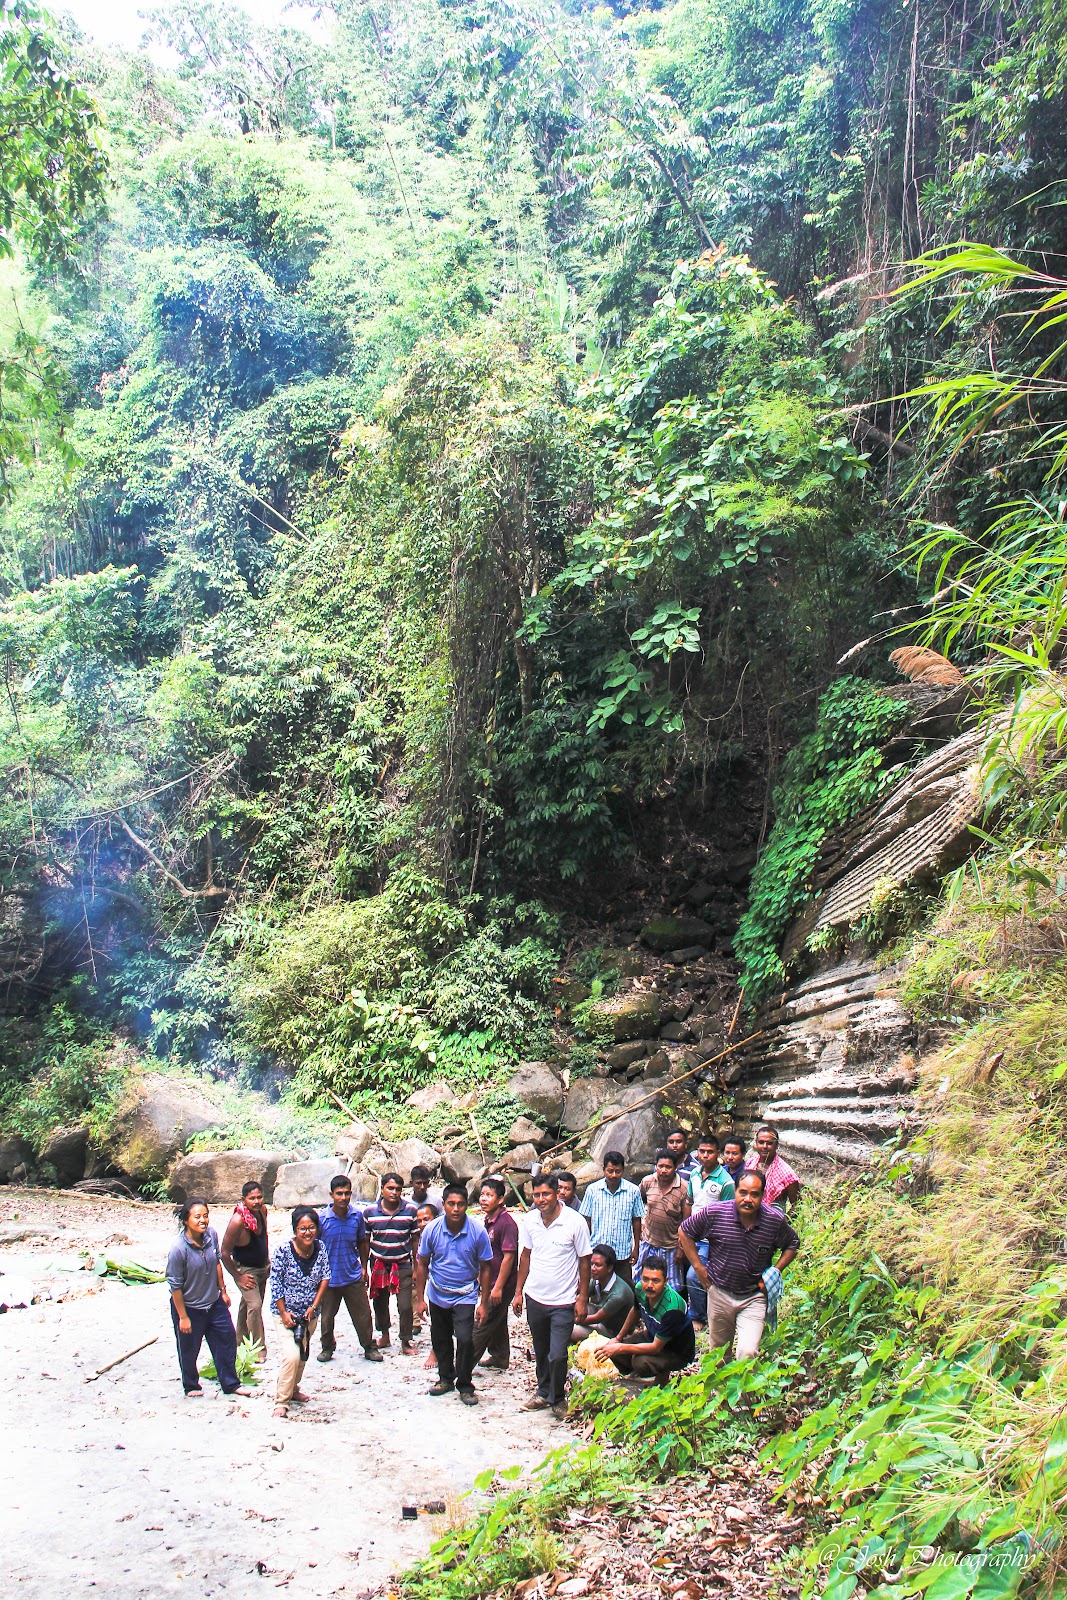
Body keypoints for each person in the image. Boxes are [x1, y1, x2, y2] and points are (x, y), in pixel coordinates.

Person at [677, 1169, 799, 1359]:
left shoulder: (773, 1221)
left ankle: (746, 1389)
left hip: (753, 1297)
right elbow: (685, 1231)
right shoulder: (716, 1213)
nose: (748, 1199)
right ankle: (721, 1387)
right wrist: (699, 1268)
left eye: (754, 1194)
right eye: (743, 1192)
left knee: (748, 1352)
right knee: (718, 1354)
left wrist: (775, 1271)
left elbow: (792, 1244)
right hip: (719, 1293)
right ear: (735, 1191)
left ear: (763, 1195)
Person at [513, 1172, 592, 1420]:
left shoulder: (575, 1221)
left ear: (557, 1193)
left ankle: (558, 1398)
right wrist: (518, 1292)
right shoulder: (530, 1221)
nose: (541, 1199)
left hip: (564, 1301)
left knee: (557, 1354)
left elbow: (585, 1260)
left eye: (545, 1194)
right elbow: (525, 1256)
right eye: (536, 1195)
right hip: (535, 1297)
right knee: (541, 1348)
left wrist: (582, 1298)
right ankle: (543, 1391)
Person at [414, 1182, 494, 1405]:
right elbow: (422, 1263)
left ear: (467, 1206)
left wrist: (484, 1303)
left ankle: (465, 1385)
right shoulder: (432, 1229)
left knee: (466, 1339)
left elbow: (486, 1267)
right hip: (438, 1292)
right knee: (440, 1338)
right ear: (443, 1205)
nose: (456, 1209)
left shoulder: (477, 1231)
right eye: (451, 1204)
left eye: (460, 1204)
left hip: (465, 1294)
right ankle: (445, 1378)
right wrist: (420, 1300)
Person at [166, 1199, 249, 1399]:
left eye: (205, 1215)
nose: (203, 1220)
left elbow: (217, 1263)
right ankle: (191, 1385)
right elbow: (175, 1287)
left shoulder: (211, 1235)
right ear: (187, 1220)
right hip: (189, 1307)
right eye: (197, 1217)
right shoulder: (179, 1249)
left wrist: (223, 1290)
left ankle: (230, 1383)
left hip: (213, 1302)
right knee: (189, 1348)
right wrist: (183, 1317)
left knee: (227, 1339)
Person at [270, 1206, 331, 1418]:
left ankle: (294, 1389)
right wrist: (284, 1313)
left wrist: (314, 1306)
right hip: (285, 1314)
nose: (307, 1232)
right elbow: (276, 1284)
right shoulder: (283, 1251)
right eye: (302, 1228)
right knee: (291, 1355)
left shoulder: (320, 1248)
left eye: (311, 1228)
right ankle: (281, 1400)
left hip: (309, 1314)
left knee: (303, 1353)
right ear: (295, 1230)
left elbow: (325, 1277)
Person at [598, 1254, 696, 1384]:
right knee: (613, 1350)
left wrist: (620, 1347)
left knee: (639, 1361)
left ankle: (661, 1378)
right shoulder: (640, 1288)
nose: (649, 1285)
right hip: (652, 1335)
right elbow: (636, 1311)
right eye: (645, 1279)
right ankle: (635, 1377)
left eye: (656, 1281)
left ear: (665, 1281)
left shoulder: (672, 1309)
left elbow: (655, 1347)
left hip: (675, 1351)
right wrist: (618, 1338)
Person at [316, 1175, 382, 1364]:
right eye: (339, 1194)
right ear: (331, 1195)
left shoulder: (356, 1216)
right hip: (328, 1278)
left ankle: (369, 1346)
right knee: (327, 1317)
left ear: (351, 1193)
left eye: (346, 1193)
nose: (343, 1198)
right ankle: (327, 1347)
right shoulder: (322, 1219)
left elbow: (363, 1242)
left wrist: (363, 1267)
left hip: (352, 1274)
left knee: (363, 1314)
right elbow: (314, 1246)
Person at [363, 1172, 420, 1354]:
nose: (394, 1192)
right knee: (380, 1301)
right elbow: (365, 1241)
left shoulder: (410, 1211)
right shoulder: (370, 1212)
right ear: (382, 1189)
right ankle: (385, 1335)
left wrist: (417, 1268)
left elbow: (415, 1240)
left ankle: (405, 1340)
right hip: (379, 1263)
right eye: (390, 1188)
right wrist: (364, 1267)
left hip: (402, 1263)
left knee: (405, 1305)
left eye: (398, 1189)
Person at [683, 1137, 736, 1328]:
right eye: (702, 1151)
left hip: (709, 1239)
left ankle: (699, 1316)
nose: (705, 1155)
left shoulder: (726, 1182)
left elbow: (728, 1215)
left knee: (695, 1275)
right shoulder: (695, 1174)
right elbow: (690, 1202)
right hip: (692, 1235)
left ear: (718, 1154)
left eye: (710, 1152)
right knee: (686, 1274)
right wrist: (685, 1229)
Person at [471, 1178, 519, 1372]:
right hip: (490, 1281)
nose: (484, 1199)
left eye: (489, 1195)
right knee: (498, 1321)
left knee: (482, 1323)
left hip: (502, 1284)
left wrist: (498, 1287)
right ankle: (500, 1356)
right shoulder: (490, 1220)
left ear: (500, 1199)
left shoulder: (506, 1223)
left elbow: (509, 1257)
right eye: (482, 1195)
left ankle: (462, 1365)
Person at [220, 1180, 270, 1357]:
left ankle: (238, 1341)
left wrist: (267, 1258)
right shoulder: (238, 1221)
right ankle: (258, 1351)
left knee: (246, 1306)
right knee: (255, 1307)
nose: (256, 1201)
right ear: (243, 1199)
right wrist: (238, 1276)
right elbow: (224, 1253)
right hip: (246, 1271)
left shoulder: (262, 1212)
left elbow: (264, 1236)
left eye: (259, 1197)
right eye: (252, 1198)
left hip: (262, 1268)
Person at [579, 1151, 644, 1285]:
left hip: (622, 1252)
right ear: (603, 1170)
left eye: (617, 1171)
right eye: (610, 1171)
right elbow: (586, 1220)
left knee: (625, 1288)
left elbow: (636, 1220)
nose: (614, 1175)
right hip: (597, 1250)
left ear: (623, 1170)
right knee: (594, 1287)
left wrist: (636, 1247)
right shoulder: (592, 1190)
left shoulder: (633, 1191)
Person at [637, 1150, 688, 1290]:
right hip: (648, 1242)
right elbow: (637, 1201)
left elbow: (686, 1221)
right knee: (640, 1280)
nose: (664, 1170)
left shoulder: (684, 1188)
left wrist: (681, 1248)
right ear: (656, 1166)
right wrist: (642, 1221)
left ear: (675, 1167)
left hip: (670, 1246)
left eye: (668, 1167)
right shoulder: (648, 1182)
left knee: (672, 1287)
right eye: (661, 1166)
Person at [572, 1244, 635, 1340]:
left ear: (609, 1268)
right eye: (592, 1264)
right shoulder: (596, 1280)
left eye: (598, 1265)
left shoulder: (618, 1295)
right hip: (602, 1317)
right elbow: (580, 1298)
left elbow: (597, 1318)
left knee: (571, 1330)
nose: (593, 1268)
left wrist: (571, 1320)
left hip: (613, 1330)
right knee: (574, 1308)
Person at [745, 1125, 802, 1210]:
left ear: (776, 1145)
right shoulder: (750, 1164)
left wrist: (782, 1222)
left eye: (769, 1143)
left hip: (774, 1220)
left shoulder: (786, 1173)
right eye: (761, 1142)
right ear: (756, 1143)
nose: (764, 1146)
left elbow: (797, 1206)